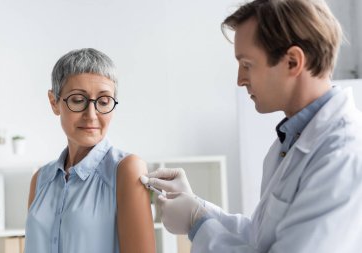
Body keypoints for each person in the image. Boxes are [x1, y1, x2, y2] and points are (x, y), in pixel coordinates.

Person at [144, 0, 362, 252]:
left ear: (292, 62)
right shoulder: (293, 138)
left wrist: (198, 222)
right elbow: (261, 238)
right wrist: (197, 207)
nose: (240, 80)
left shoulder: (344, 153)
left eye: (247, 64)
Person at [25, 48, 155, 253]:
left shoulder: (127, 170)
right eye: (78, 100)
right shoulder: (41, 179)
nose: (92, 114)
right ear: (54, 102)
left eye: (103, 102)